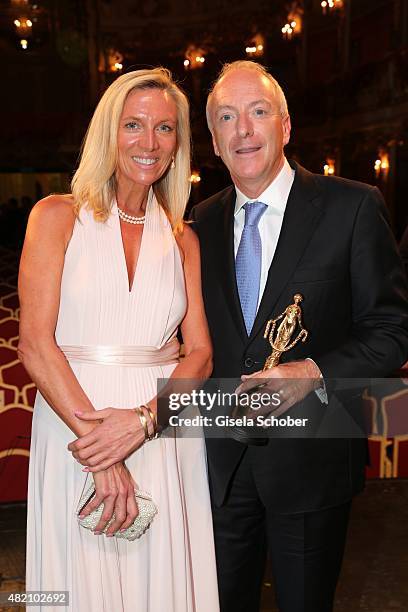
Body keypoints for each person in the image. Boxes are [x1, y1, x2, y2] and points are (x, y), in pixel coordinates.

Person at [190, 60, 408, 612]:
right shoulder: (198, 222)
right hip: (217, 464)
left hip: (312, 457)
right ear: (213, 141)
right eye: (227, 117)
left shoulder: (352, 207)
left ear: (285, 126)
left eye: (258, 112)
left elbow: (392, 329)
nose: (244, 129)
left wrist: (312, 373)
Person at [18, 68, 219, 612]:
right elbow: (35, 343)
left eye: (164, 128)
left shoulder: (184, 239)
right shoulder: (55, 217)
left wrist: (145, 420)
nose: (149, 142)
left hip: (162, 432)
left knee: (161, 579)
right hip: (73, 427)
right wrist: (101, 452)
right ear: (108, 131)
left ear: (178, 143)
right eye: (133, 125)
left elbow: (199, 352)